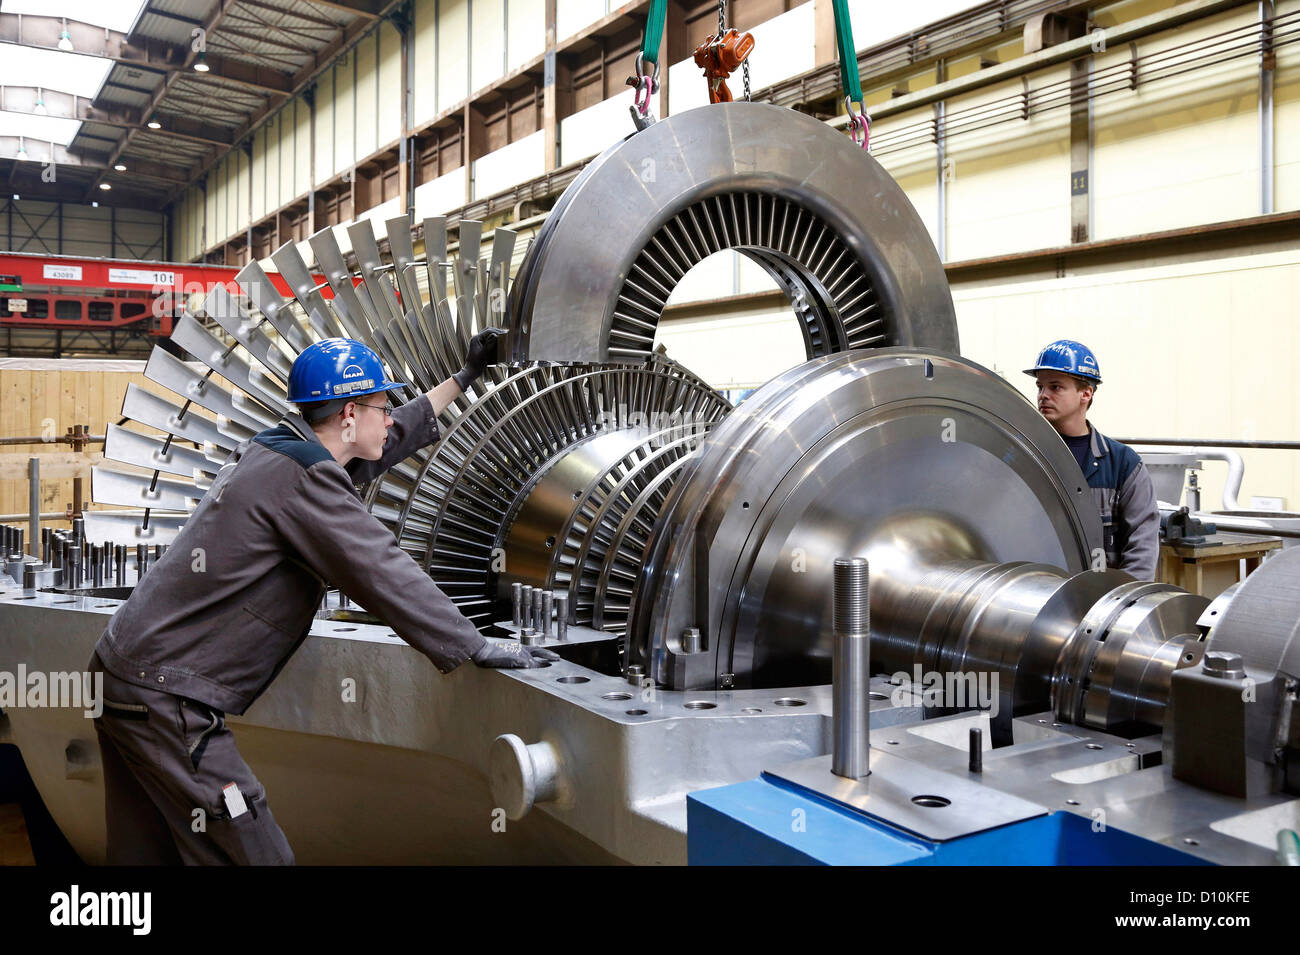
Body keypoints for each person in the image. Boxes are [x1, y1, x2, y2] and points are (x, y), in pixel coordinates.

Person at [88, 331, 556, 865]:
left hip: (120, 676)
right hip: (166, 702)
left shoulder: (282, 448)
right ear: (350, 415)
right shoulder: (305, 480)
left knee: (144, 853)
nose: (391, 417)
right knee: (255, 851)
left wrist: (465, 378)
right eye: (382, 406)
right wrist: (471, 644)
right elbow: (382, 568)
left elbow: (387, 439)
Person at [1025, 339, 1158, 581]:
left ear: (1086, 393)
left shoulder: (1122, 464)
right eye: (1040, 387)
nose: (1043, 395)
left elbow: (1142, 546)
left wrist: (1126, 606)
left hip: (1101, 602)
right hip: (1036, 599)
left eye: (1055, 387)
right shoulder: (1026, 454)